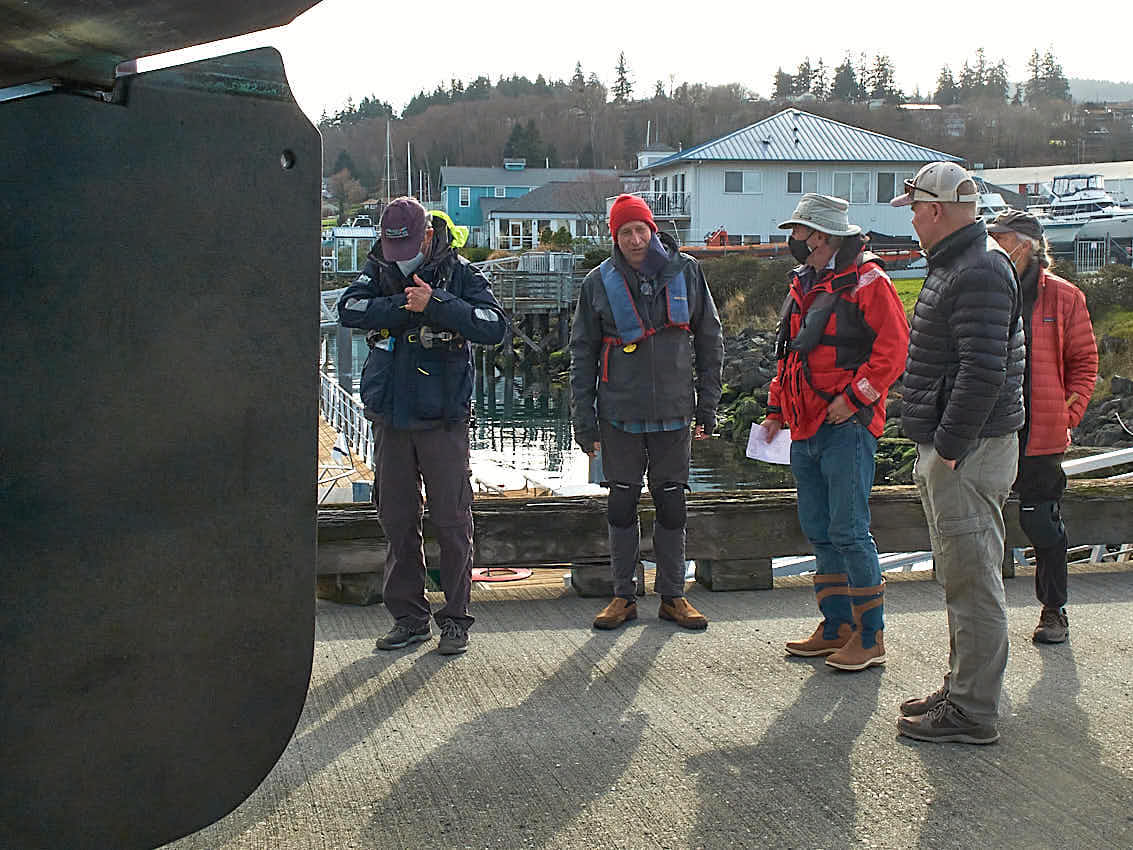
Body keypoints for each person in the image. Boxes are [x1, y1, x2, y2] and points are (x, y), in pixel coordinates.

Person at [892, 162, 1026, 744]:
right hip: (966, 446)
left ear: (937, 210)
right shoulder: (969, 263)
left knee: (972, 580)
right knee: (962, 574)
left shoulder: (976, 269)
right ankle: (965, 689)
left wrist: (947, 447)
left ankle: (973, 710)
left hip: (967, 450)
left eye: (916, 210)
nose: (914, 221)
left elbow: (983, 369)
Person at [337, 197, 507, 655]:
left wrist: (437, 305)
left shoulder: (461, 273)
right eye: (393, 247)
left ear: (428, 235)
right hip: (391, 417)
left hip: (443, 418)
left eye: (409, 245)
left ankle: (455, 619)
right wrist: (401, 305)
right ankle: (409, 618)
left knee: (452, 519)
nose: (400, 255)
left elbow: (494, 325)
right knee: (396, 518)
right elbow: (349, 310)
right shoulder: (378, 268)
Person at [761, 194, 909, 671]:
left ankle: (871, 637)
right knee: (821, 532)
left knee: (848, 531)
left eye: (799, 234)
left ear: (821, 236)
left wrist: (856, 398)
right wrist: (776, 410)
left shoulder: (870, 282)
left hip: (846, 427)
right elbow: (792, 356)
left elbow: (894, 351)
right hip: (806, 427)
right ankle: (836, 627)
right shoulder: (807, 284)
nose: (794, 243)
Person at [570, 194, 724, 630]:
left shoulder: (688, 272)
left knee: (672, 501)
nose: (635, 240)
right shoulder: (596, 284)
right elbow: (581, 353)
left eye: (641, 230)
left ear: (653, 230)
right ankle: (623, 596)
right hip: (617, 412)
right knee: (621, 501)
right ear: (614, 237)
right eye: (625, 232)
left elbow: (710, 339)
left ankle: (673, 595)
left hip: (676, 411)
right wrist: (584, 421)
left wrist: (707, 405)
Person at [987, 210, 1098, 644]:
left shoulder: (1065, 297)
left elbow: (1084, 363)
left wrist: (1066, 414)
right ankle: (986, 622)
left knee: (1042, 522)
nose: (997, 246)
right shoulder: (987, 289)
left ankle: (1054, 610)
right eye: (992, 238)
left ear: (1029, 244)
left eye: (1004, 238)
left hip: (1041, 433)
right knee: (983, 526)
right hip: (992, 428)